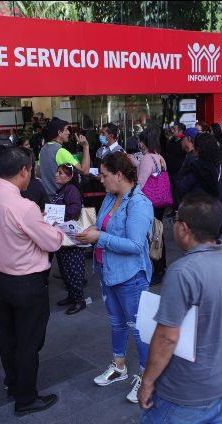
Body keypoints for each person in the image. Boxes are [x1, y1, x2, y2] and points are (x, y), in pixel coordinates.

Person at [131, 193, 222, 424]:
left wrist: (148, 382)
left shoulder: (183, 271)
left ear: (184, 228)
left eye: (176, 220)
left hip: (184, 391)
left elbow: (167, 338)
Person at [0, 147, 64, 416]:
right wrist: (54, 230)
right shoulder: (23, 206)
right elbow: (52, 241)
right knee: (29, 341)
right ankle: (26, 398)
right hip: (26, 282)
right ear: (24, 171)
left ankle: (13, 383)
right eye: (31, 171)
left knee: (10, 336)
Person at [74, 152, 154, 404]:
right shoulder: (111, 197)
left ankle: (146, 375)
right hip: (109, 271)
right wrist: (88, 233)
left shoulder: (139, 203)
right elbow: (102, 227)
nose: (101, 179)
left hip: (131, 275)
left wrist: (99, 238)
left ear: (119, 175)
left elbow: (134, 244)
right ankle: (119, 366)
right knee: (117, 322)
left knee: (139, 328)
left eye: (105, 175)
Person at [132, 127, 169, 285]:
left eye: (140, 140)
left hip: (150, 202)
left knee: (153, 235)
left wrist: (131, 195)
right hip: (161, 200)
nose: (139, 143)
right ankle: (162, 267)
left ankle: (157, 269)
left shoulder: (147, 158)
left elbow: (141, 182)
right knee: (159, 232)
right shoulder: (159, 157)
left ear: (145, 142)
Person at [52, 164, 86, 315]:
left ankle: (79, 301)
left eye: (60, 173)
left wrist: (57, 215)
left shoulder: (71, 190)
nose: (56, 174)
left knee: (73, 270)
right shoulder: (62, 190)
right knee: (65, 269)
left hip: (71, 237)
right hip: (63, 236)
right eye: (57, 172)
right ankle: (72, 297)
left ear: (70, 177)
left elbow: (74, 210)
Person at [38, 118, 91, 198]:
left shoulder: (43, 149)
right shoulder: (60, 151)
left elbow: (39, 172)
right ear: (59, 132)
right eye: (66, 130)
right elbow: (85, 171)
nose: (68, 133)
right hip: (61, 200)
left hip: (48, 199)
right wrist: (86, 147)